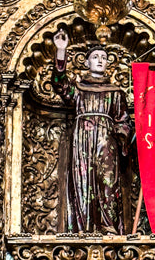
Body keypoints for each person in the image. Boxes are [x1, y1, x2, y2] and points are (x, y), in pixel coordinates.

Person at [52, 29, 132, 234]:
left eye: (104, 58)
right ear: (86, 62)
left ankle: (109, 228)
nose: (100, 60)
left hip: (106, 141)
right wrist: (61, 51)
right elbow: (60, 85)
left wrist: (120, 137)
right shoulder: (79, 89)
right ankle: (83, 228)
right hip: (82, 140)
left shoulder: (115, 92)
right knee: (82, 182)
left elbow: (123, 120)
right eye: (95, 57)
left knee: (107, 182)